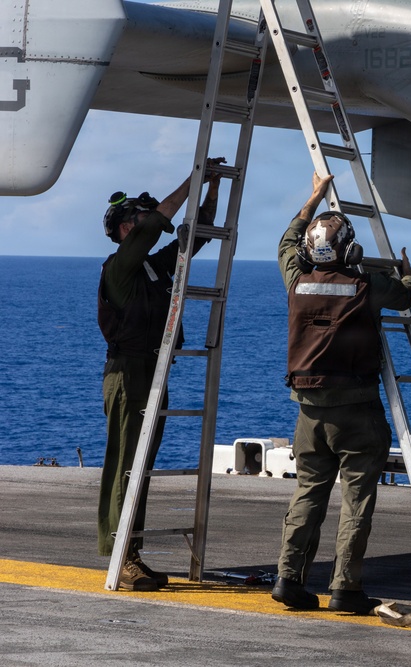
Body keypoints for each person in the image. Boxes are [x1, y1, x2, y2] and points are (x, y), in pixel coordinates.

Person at [271, 173, 411, 614]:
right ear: (351, 251)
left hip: (308, 415)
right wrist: (405, 270)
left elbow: (286, 241)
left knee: (307, 494)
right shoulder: (367, 286)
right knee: (356, 500)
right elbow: (407, 296)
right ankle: (344, 589)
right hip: (358, 412)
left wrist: (312, 196)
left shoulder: (296, 282)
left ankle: (288, 579)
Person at [97, 159, 225, 591]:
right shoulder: (118, 268)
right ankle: (121, 554)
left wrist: (211, 190)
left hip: (152, 371)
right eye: (136, 219)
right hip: (128, 374)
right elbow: (156, 225)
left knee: (142, 466)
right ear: (124, 230)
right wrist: (195, 177)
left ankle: (130, 551)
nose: (144, 224)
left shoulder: (152, 268)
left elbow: (197, 239)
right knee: (126, 468)